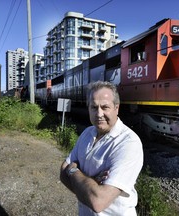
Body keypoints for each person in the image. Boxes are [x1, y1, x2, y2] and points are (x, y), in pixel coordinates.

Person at [60, 81, 144, 216]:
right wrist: (90, 185)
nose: (99, 114)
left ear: (116, 108)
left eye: (105, 107)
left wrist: (73, 170)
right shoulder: (87, 133)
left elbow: (97, 202)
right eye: (94, 107)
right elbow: (62, 174)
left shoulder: (128, 143)